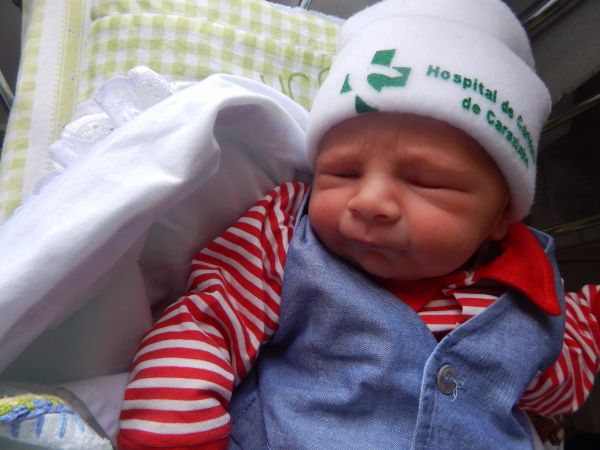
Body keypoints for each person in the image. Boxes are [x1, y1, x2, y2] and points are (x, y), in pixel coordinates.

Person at [117, 0, 600, 448]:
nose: (369, 202)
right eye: (342, 173)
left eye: (425, 181)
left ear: (499, 215)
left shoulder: (533, 294)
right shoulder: (287, 237)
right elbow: (205, 326)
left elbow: (559, 382)